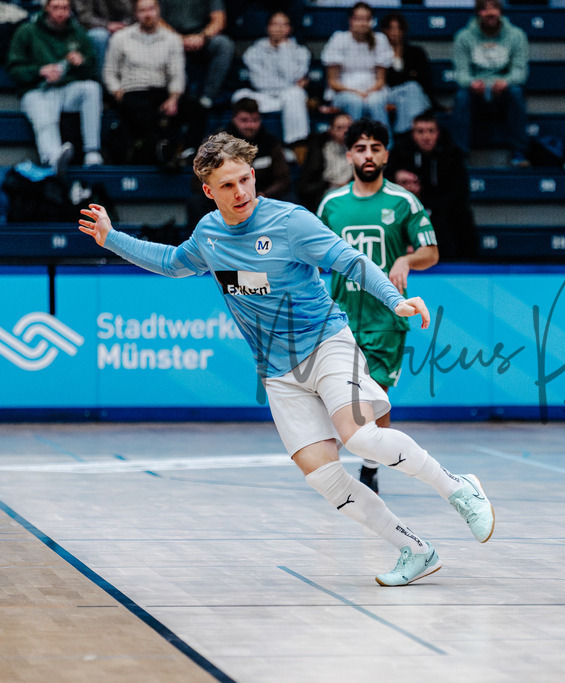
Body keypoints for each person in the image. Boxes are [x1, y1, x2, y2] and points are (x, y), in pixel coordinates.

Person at [78, 131, 496, 586]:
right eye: (227, 186)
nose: (239, 192)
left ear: (253, 174)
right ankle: (416, 550)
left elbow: (350, 261)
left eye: (244, 180)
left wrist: (394, 301)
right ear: (208, 191)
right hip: (278, 373)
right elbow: (174, 261)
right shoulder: (210, 234)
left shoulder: (290, 222)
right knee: (324, 477)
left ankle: (458, 488)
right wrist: (112, 238)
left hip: (327, 345)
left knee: (359, 438)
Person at [317, 118, 439, 494]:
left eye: (375, 148)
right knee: (340, 398)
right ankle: (339, 468)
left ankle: (370, 465)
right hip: (340, 319)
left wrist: (406, 260)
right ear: (349, 154)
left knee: (377, 398)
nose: (368, 155)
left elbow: (431, 252)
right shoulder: (331, 205)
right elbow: (312, 259)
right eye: (360, 148)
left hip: (386, 319)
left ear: (386, 153)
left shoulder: (404, 201)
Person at [103, 0, 206, 166]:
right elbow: (109, 72)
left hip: (162, 91)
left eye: (151, 9)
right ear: (136, 14)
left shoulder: (172, 39)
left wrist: (173, 98)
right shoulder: (120, 38)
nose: (147, 14)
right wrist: (118, 93)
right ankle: (163, 154)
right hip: (132, 91)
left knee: (198, 109)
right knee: (142, 113)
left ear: (158, 11)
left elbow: (177, 73)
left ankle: (188, 152)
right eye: (142, 10)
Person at [6, 0, 104, 168]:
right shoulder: (27, 31)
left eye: (64, 8)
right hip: (37, 91)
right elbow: (14, 69)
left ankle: (92, 152)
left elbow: (93, 69)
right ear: (46, 9)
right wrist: (39, 71)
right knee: (44, 114)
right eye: (56, 7)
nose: (60, 12)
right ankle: (53, 158)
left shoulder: (78, 33)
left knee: (92, 89)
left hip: (67, 89)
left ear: (70, 10)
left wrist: (82, 63)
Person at [187, 97, 293, 225]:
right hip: (224, 199)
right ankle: (205, 242)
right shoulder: (216, 143)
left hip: (262, 198)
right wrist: (226, 195)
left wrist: (263, 195)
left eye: (255, 120)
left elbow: (283, 179)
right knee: (196, 202)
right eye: (244, 120)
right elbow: (198, 182)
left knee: (290, 200)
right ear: (234, 119)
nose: (250, 125)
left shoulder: (270, 142)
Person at [388, 110, 476, 261]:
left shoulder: (452, 153)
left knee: (461, 216)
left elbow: (459, 190)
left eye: (431, 131)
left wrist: (428, 204)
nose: (426, 137)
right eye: (420, 132)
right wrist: (398, 180)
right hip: (407, 206)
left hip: (442, 207)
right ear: (412, 133)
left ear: (438, 133)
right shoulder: (400, 151)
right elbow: (384, 182)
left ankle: (462, 266)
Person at [451, 0, 529, 168]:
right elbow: (461, 74)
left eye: (494, 8)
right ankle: (460, 155)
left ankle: (519, 152)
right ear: (478, 13)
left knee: (516, 92)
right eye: (485, 9)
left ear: (500, 11)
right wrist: (472, 83)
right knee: (461, 96)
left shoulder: (516, 35)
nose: (490, 13)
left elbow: (520, 72)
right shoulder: (464, 37)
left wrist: (505, 82)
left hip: (502, 95)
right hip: (476, 96)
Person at [231, 10, 310, 147]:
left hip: (287, 98)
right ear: (267, 27)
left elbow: (292, 76)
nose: (279, 28)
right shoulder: (254, 51)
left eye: (284, 25)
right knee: (240, 96)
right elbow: (259, 81)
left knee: (296, 94)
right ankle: (244, 141)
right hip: (262, 98)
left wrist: (283, 49)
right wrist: (289, 83)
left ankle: (294, 146)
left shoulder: (301, 52)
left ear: (290, 28)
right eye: (275, 24)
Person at [321, 2, 392, 131]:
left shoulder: (380, 40)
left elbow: (381, 80)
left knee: (376, 102)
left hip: (373, 91)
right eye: (358, 19)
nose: (362, 23)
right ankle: (354, 144)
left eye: (367, 19)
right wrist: (356, 92)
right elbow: (333, 82)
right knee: (354, 101)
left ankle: (385, 146)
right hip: (343, 92)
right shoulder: (339, 39)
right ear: (351, 20)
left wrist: (367, 93)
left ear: (372, 21)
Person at [160, 0, 234, 108]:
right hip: (170, 39)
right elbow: (156, 19)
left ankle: (207, 99)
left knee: (224, 44)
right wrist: (177, 39)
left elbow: (219, 19)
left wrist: (202, 37)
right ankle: (171, 100)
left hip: (202, 37)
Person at [379, 11, 432, 135]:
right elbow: (387, 81)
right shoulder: (378, 53)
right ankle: (411, 135)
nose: (395, 32)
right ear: (384, 31)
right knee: (412, 88)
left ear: (404, 30)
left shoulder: (416, 52)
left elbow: (424, 80)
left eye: (398, 28)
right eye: (390, 28)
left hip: (413, 95)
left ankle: (403, 134)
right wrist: (408, 76)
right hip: (387, 95)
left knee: (410, 92)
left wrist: (403, 79)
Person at [296, 111, 354, 212]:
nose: (345, 131)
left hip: (355, 192)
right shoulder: (319, 150)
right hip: (327, 193)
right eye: (339, 128)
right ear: (330, 130)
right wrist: (328, 184)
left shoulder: (361, 149)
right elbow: (304, 188)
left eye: (348, 127)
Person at [73, 0, 133, 70]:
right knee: (100, 36)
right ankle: (102, 77)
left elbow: (128, 11)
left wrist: (123, 25)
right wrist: (107, 25)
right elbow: (84, 17)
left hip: (119, 26)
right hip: (92, 28)